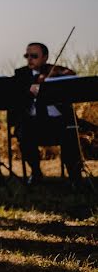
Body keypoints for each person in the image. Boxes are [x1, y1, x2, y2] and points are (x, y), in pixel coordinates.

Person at [11, 42, 82, 187]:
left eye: (34, 56)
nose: (30, 59)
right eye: (27, 56)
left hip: (57, 121)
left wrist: (56, 75)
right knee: (23, 132)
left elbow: (71, 75)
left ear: (45, 57)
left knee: (70, 131)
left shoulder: (53, 71)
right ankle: (36, 172)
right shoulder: (21, 74)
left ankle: (75, 177)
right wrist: (35, 86)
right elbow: (18, 101)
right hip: (32, 121)